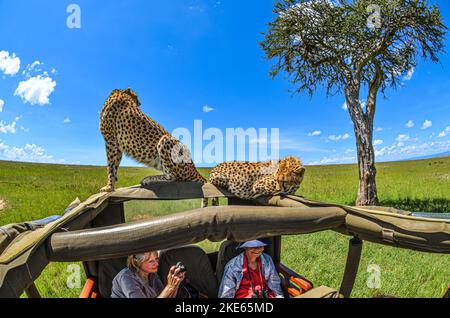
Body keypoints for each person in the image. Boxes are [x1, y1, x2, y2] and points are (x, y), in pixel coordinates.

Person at [218, 240, 284, 298]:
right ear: (245, 247)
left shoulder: (267, 259)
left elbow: (275, 284)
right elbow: (226, 293)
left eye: (260, 246)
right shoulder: (232, 266)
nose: (258, 249)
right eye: (253, 246)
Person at [111, 251, 185, 298]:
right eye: (151, 261)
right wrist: (169, 287)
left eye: (156, 259)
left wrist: (175, 284)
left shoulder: (152, 275)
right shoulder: (126, 278)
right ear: (137, 262)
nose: (156, 264)